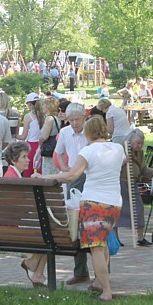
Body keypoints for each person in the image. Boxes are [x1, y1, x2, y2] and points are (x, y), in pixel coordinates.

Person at [35, 115, 123, 301]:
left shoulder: (88, 151)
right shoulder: (117, 148)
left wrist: (47, 177)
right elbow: (123, 161)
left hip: (94, 203)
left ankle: (106, 290)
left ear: (88, 133)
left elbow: (71, 175)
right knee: (103, 243)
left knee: (96, 248)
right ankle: (99, 282)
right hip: (114, 203)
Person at [53, 102, 91, 285]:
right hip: (72, 179)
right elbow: (59, 153)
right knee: (75, 225)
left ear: (84, 117)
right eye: (71, 120)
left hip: (90, 178)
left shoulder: (91, 131)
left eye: (77, 119)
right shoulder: (65, 132)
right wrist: (63, 167)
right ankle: (80, 271)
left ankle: (101, 273)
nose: (75, 123)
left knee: (91, 224)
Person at [2, 141, 48, 286]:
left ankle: (36, 271)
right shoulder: (12, 178)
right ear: (13, 159)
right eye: (24, 157)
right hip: (11, 228)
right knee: (50, 233)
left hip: (8, 225)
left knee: (49, 232)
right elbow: (16, 210)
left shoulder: (12, 175)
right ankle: (33, 265)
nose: (28, 159)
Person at [117, 129, 153, 246]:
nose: (140, 145)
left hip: (133, 184)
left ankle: (140, 237)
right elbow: (111, 166)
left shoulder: (140, 153)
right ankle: (116, 238)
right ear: (131, 142)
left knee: (139, 208)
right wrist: (122, 162)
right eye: (137, 143)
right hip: (121, 184)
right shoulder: (121, 150)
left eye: (141, 143)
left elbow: (143, 170)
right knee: (118, 211)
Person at [16, 93, 43, 176]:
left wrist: (15, 133)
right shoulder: (44, 115)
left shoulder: (28, 116)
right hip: (42, 145)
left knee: (28, 170)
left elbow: (23, 136)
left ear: (30, 104)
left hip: (31, 145)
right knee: (39, 170)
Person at [37, 96, 61, 176]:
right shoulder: (57, 118)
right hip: (55, 149)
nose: (42, 107)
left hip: (48, 150)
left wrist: (40, 142)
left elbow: (44, 136)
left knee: (48, 172)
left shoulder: (49, 119)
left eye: (44, 104)